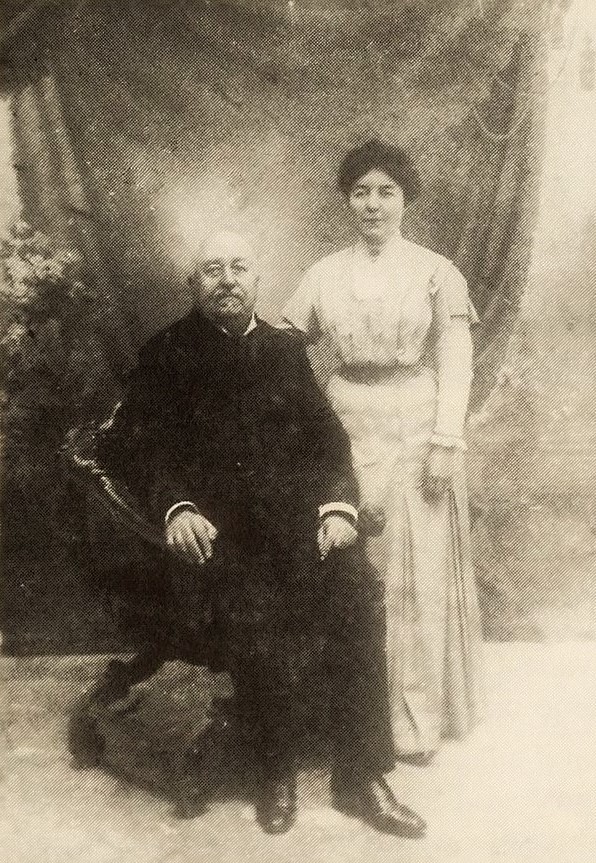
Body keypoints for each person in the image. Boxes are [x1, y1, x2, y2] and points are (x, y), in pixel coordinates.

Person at [96, 230, 426, 838]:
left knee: (357, 592)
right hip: (219, 536)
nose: (227, 280)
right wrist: (176, 508)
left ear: (257, 280)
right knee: (257, 610)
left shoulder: (284, 349)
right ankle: (273, 771)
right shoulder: (166, 352)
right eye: (212, 269)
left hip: (299, 526)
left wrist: (337, 509)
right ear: (193, 284)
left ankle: (362, 777)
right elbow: (137, 445)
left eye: (239, 268)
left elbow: (328, 440)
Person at [282, 140, 484, 764]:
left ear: (405, 200)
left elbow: (456, 358)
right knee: (351, 573)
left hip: (417, 426)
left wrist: (445, 441)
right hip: (344, 423)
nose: (373, 204)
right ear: (347, 201)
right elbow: (283, 352)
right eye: (361, 192)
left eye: (386, 192)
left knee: (413, 578)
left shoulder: (437, 272)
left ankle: (411, 723)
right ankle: (348, 716)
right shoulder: (322, 274)